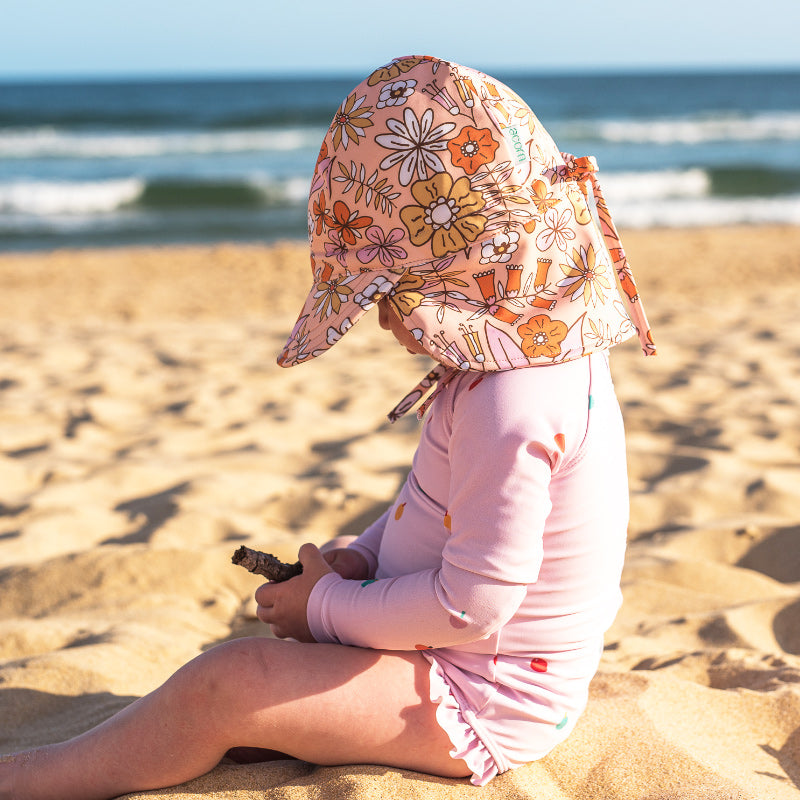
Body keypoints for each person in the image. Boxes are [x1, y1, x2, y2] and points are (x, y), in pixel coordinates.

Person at [0, 55, 655, 799]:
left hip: (480, 699)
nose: (381, 319)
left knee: (231, 681)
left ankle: (31, 778)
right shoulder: (528, 359)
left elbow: (471, 606)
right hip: (461, 661)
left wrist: (324, 609)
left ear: (461, 282)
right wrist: (364, 560)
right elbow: (436, 505)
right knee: (245, 685)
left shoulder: (514, 404)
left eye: (392, 293)